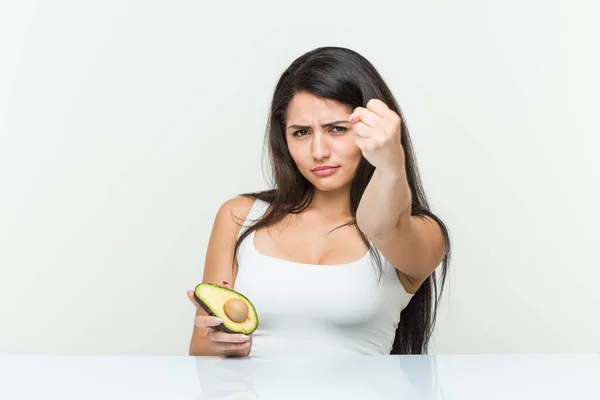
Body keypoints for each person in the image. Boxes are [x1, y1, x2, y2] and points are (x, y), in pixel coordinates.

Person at [187, 46, 451, 358]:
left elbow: (379, 225)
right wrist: (221, 345)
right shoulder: (240, 216)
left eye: (337, 129)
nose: (318, 151)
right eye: (300, 133)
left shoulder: (421, 233)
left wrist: (391, 164)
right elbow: (201, 350)